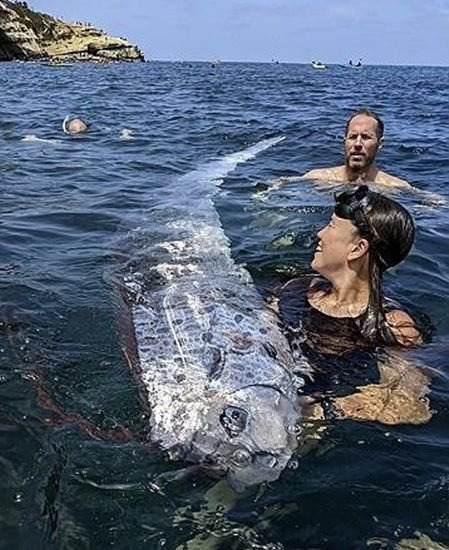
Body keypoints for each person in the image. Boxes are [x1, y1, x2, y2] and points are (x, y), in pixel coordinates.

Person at [269, 185, 432, 425]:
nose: (320, 234)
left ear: (357, 249)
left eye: (331, 227)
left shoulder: (392, 325)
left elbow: (408, 406)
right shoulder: (296, 287)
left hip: (306, 419)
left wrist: (318, 410)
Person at [277, 109, 410, 188]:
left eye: (365, 137)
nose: (357, 144)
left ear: (380, 144)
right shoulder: (317, 178)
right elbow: (279, 185)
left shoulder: (393, 187)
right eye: (352, 137)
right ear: (344, 141)